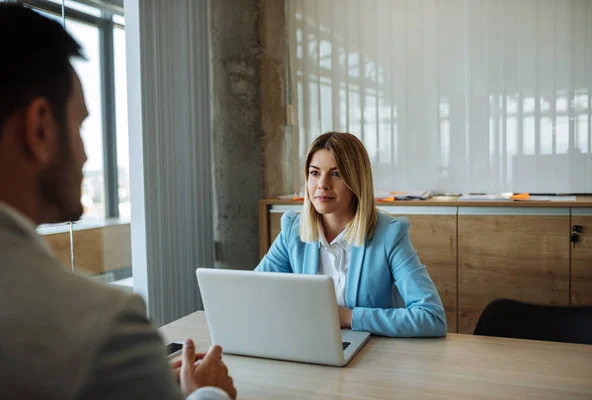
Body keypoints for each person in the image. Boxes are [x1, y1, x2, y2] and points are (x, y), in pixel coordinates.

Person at [0, 5, 235, 400]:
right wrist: (206, 394)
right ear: (39, 127)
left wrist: (139, 380)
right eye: (79, 126)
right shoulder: (103, 329)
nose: (86, 156)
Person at [256, 132, 446, 337]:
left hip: (371, 354)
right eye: (315, 173)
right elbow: (255, 294)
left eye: (336, 173)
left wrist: (349, 318)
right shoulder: (293, 230)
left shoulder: (389, 235)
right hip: (308, 343)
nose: (322, 184)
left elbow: (431, 317)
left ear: (356, 180)